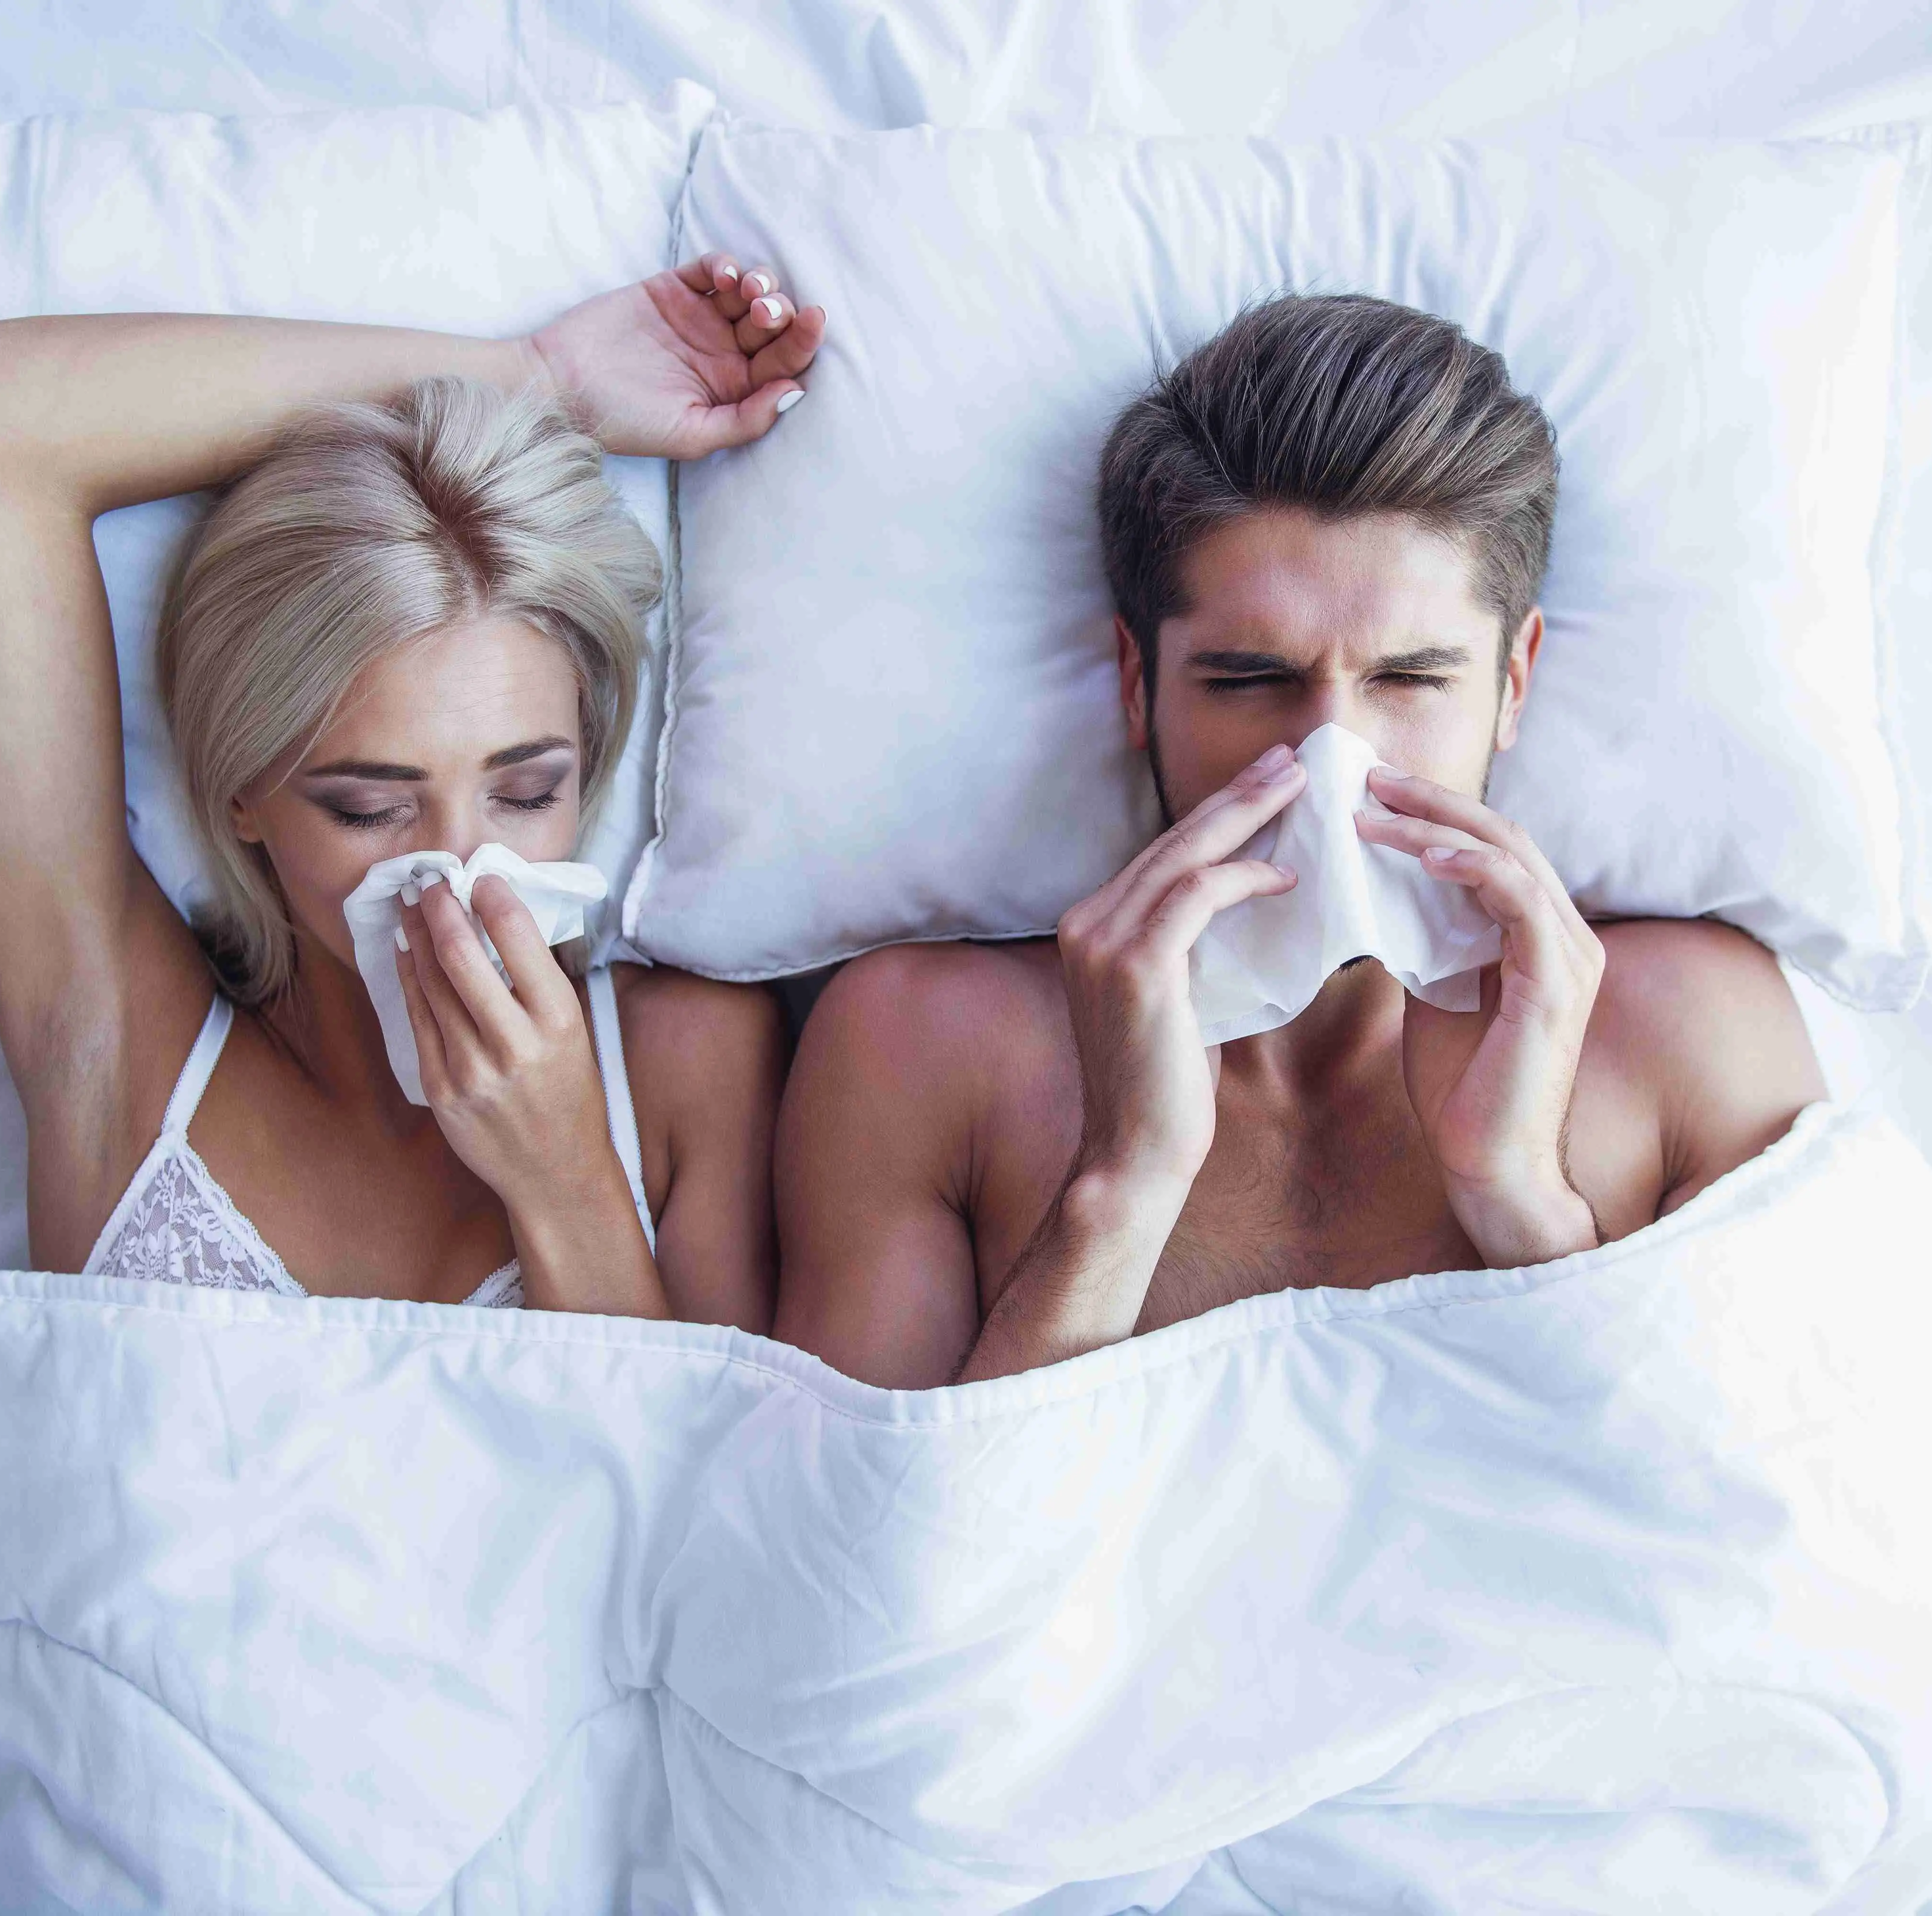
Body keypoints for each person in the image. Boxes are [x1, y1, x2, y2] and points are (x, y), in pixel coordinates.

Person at [773, 294, 1825, 1385]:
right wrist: (1119, 1186)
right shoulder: (921, 1048)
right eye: (1246, 680)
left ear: (1511, 685)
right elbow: (875, 1547)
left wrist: (1522, 1203)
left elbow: (1773, 1532)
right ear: (1139, 687)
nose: (1333, 755)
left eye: (1411, 680)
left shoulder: (1695, 1030)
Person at [0, 256, 824, 1323]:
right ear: (246, 790)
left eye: (524, 790)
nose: (458, 878)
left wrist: (566, 1185)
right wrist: (530, 380)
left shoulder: (690, 1065)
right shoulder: (114, 1037)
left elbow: (690, 1490)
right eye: (368, 807)